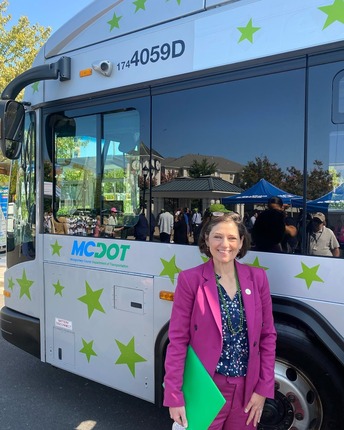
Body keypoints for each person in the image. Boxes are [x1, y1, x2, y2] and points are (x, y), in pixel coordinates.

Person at [164, 212, 277, 429]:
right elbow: (177, 340)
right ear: (206, 239)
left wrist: (263, 389)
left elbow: (268, 336)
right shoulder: (190, 280)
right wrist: (174, 396)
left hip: (247, 390)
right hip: (206, 387)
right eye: (217, 236)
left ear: (241, 242)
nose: (225, 244)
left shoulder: (258, 279)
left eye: (232, 238)